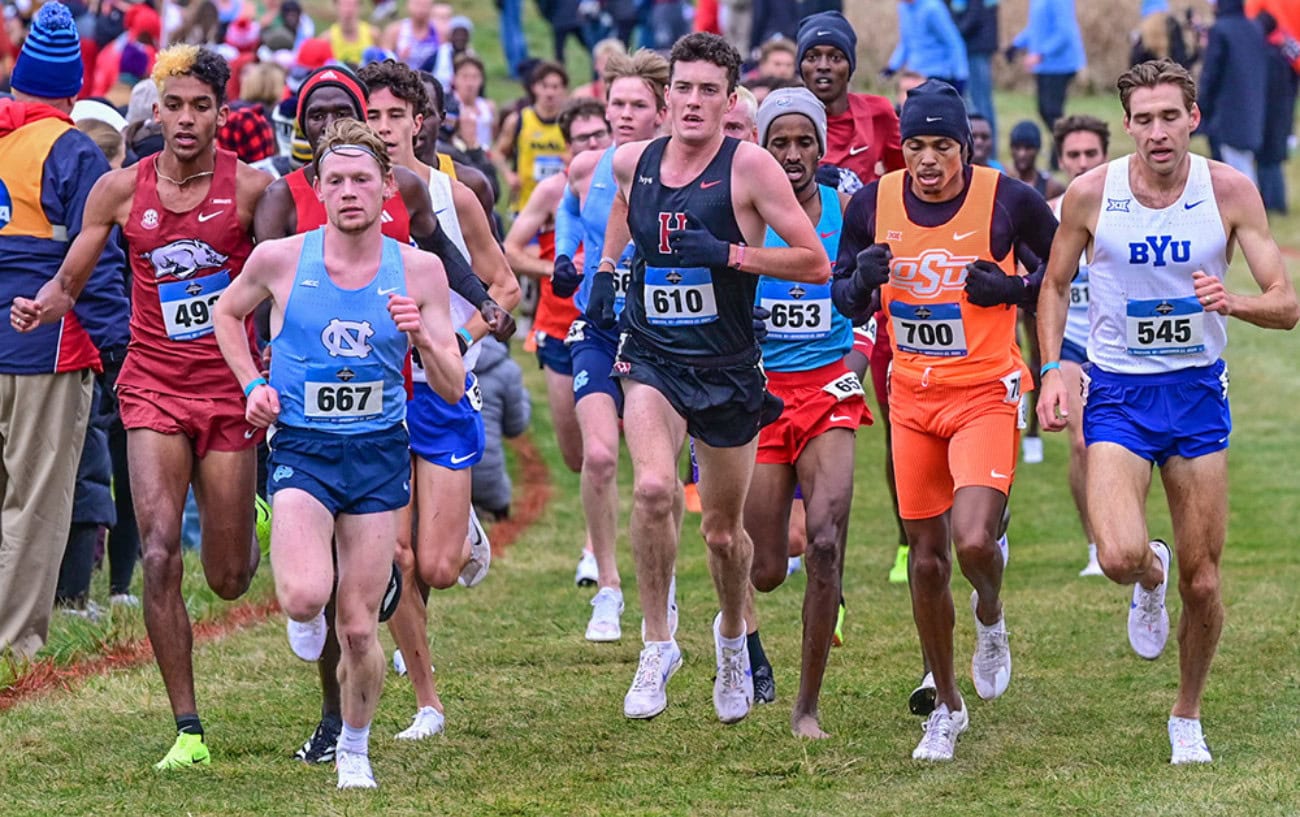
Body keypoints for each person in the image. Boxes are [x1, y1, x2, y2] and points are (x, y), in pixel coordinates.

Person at [12, 44, 273, 770]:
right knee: (158, 550)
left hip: (227, 390)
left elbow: (284, 281)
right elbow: (72, 277)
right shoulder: (119, 191)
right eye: (173, 105)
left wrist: (271, 365)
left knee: (227, 577)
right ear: (154, 110)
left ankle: (248, 516)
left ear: (222, 112)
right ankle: (187, 728)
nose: (185, 119)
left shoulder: (253, 191)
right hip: (153, 383)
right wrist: (44, 304)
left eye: (200, 106)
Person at [1036, 59, 1298, 765]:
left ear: (1193, 118)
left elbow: (1286, 301)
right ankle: (1146, 578)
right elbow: (1054, 285)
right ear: (1126, 124)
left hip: (1195, 392)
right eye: (1143, 119)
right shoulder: (1092, 194)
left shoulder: (1231, 190)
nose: (1157, 131)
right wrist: (1055, 368)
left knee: (1204, 578)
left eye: (1169, 116)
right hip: (1118, 391)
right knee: (1120, 554)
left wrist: (1233, 301)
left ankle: (1187, 712)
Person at [253, 62, 512, 765]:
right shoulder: (287, 201)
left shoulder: (404, 190)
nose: (329, 125)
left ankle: (429, 548)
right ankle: (345, 719)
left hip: (407, 383)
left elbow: (443, 254)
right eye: (316, 115)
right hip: (316, 411)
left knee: (432, 562)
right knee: (344, 588)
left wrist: (474, 310)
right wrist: (260, 379)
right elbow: (254, 300)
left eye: (347, 112)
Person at [214, 119, 465, 789]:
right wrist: (253, 386)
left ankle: (355, 746)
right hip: (303, 447)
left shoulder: (418, 270)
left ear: (388, 188)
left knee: (357, 629)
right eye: (337, 181)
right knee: (302, 599)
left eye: (363, 179)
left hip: (379, 454)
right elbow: (224, 313)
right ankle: (322, 565)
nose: (350, 191)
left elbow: (453, 383)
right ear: (318, 190)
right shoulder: (281, 258)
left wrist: (425, 339)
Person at [601, 32, 830, 723]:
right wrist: (607, 273)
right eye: (683, 88)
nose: (694, 102)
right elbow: (619, 206)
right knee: (650, 488)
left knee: (725, 534)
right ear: (665, 95)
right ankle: (657, 642)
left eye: (709, 91)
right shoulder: (632, 162)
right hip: (653, 356)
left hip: (727, 368)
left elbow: (814, 262)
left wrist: (728, 252)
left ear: (730, 100)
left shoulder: (750, 166)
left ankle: (732, 634)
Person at [832, 80, 1057, 761]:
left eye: (943, 146)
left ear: (965, 145)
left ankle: (990, 613)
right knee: (926, 560)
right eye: (917, 145)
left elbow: (1065, 269)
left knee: (973, 542)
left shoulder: (1009, 200)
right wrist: (861, 281)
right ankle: (948, 706)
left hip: (986, 392)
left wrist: (1012, 288)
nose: (929, 161)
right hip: (913, 400)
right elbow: (842, 296)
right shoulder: (873, 202)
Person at [359, 56, 520, 741]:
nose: (386, 127)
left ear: (420, 122)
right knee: (395, 556)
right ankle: (428, 702)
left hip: (445, 388)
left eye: (397, 115)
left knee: (437, 566)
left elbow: (505, 287)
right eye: (373, 115)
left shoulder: (452, 197)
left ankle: (461, 533)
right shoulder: (346, 195)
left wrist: (454, 333)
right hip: (377, 397)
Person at [1, 1, 130, 659]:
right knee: (36, 501)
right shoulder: (74, 150)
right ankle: (15, 641)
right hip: (45, 348)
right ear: (73, 90)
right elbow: (100, 255)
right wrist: (116, 347)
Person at [744, 86, 868, 739]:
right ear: (762, 149)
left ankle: (806, 706)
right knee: (765, 570)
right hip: (761, 395)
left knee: (824, 540)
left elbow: (871, 296)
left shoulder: (845, 211)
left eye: (803, 142)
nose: (792, 155)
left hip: (829, 390)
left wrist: (862, 355)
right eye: (779, 143)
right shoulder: (744, 215)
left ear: (822, 146)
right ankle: (739, 629)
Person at [552, 49, 669, 635]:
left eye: (636, 105)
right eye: (616, 103)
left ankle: (661, 583)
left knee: (658, 479)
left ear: (660, 110)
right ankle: (608, 586)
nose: (624, 114)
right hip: (598, 323)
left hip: (661, 331)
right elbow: (570, 219)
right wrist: (564, 263)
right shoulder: (586, 168)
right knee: (598, 454)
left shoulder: (681, 169)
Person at [798, 9, 908, 585]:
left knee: (898, 420)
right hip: (804, 294)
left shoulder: (878, 115)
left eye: (834, 56)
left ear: (851, 63)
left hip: (874, 296)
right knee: (810, 420)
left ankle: (908, 539)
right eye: (813, 56)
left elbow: (904, 182)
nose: (823, 66)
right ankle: (815, 552)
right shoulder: (790, 123)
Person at [504, 98, 609, 489]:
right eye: (582, 138)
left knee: (604, 451)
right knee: (575, 455)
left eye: (600, 133)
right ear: (568, 147)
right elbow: (509, 252)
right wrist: (556, 268)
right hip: (560, 327)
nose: (593, 143)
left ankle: (594, 548)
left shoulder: (633, 181)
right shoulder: (553, 191)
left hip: (616, 329)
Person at [1046, 113, 1110, 577]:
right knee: (1084, 441)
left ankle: (1125, 524)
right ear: (1061, 159)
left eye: (1091, 153)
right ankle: (1095, 544)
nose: (1083, 162)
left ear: (1105, 155)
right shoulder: (1048, 214)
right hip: (1072, 342)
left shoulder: (1130, 208)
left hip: (1122, 345)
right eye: (1074, 155)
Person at [1006, 119, 1063, 466]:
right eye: (1018, 147)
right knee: (1009, 352)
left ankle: (1033, 434)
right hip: (1010, 280)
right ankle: (1013, 416)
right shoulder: (1006, 181)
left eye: (1029, 147)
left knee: (1039, 354)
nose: (1023, 154)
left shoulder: (1051, 186)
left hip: (1039, 280)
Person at [1198, 0, 1267, 185]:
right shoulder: (1255, 28)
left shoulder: (1220, 30)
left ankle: (1247, 209)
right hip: (1253, 107)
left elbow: (1210, 75)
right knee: (1244, 163)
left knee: (1233, 171)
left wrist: (1201, 105)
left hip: (1227, 113)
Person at [1009, 0, 1086, 148]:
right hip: (1044, 66)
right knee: (1045, 110)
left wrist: (1041, 54)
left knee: (1052, 111)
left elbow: (1064, 32)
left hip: (1061, 64)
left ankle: (1068, 147)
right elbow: (1036, 28)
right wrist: (1017, 44)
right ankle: (1062, 148)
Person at [495, 60, 570, 212]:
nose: (550, 92)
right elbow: (498, 153)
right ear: (535, 88)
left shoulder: (570, 123)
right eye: (545, 86)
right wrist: (509, 175)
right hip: (525, 204)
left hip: (561, 205)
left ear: (563, 90)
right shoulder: (518, 120)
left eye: (555, 87)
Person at [471, 335, 532, 521]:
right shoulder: (507, 370)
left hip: (444, 477)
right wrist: (525, 398)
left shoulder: (435, 363)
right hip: (490, 486)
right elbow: (515, 427)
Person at [946, 0, 1000, 154]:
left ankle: (989, 152)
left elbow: (975, 15)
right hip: (969, 46)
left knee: (981, 103)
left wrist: (953, 35)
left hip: (977, 47)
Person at [886, 0, 968, 93]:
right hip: (915, 73)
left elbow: (953, 42)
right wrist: (892, 67)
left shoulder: (932, 8)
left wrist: (960, 75)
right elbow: (906, 42)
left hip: (937, 74)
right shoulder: (903, 8)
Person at [326, 0, 378, 66]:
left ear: (360, 6)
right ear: (335, 6)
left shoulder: (373, 34)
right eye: (344, 4)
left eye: (352, 4)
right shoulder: (327, 39)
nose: (348, 9)